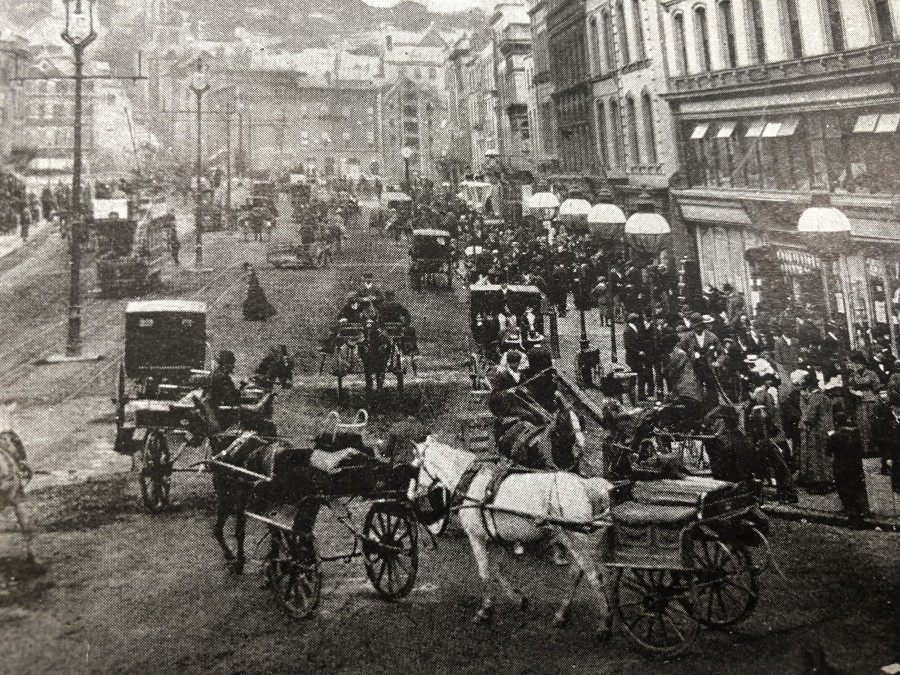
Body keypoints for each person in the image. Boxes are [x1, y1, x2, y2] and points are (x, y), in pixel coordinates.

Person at [827, 395, 871, 526]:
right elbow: (861, 451)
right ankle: (863, 511)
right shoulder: (855, 434)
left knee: (845, 490)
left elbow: (828, 451)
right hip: (855, 466)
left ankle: (851, 515)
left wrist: (830, 437)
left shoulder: (835, 436)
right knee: (858, 488)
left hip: (841, 467)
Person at [798, 371, 834, 493]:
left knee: (816, 457)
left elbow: (808, 417)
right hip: (827, 428)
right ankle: (829, 481)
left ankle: (819, 483)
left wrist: (803, 404)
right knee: (825, 456)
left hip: (816, 430)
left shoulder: (814, 398)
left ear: (808, 387)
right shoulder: (824, 396)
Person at [846, 350, 880, 459]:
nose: (856, 365)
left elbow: (877, 388)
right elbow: (849, 387)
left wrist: (873, 397)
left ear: (863, 363)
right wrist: (855, 392)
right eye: (854, 363)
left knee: (872, 425)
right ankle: (864, 449)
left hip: (871, 402)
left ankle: (874, 449)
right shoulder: (853, 375)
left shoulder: (871, 374)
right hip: (859, 403)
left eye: (858, 363)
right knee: (862, 426)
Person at [379, 290, 418, 355]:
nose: (390, 298)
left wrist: (405, 324)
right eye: (390, 296)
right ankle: (412, 350)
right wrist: (405, 324)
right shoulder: (396, 305)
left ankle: (411, 350)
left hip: (389, 328)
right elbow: (407, 315)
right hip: (394, 328)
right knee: (410, 331)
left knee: (409, 331)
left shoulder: (383, 306)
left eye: (391, 296)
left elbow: (407, 315)